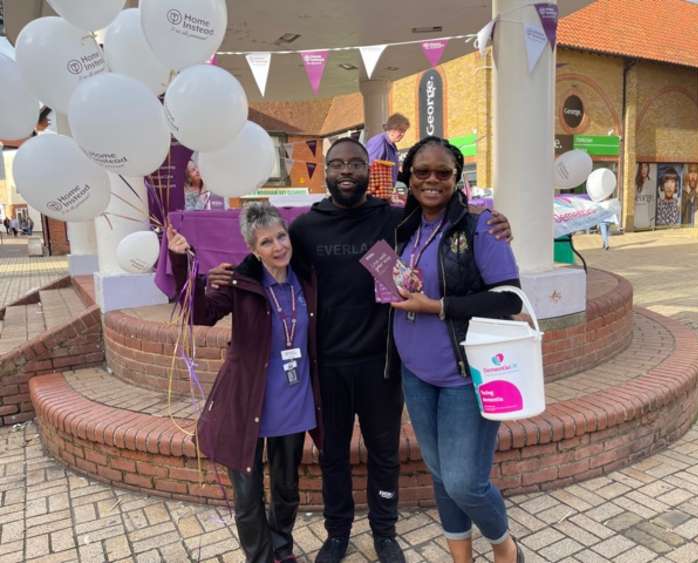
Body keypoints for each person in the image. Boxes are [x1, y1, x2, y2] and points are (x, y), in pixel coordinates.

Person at [207, 137, 512, 563]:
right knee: (333, 456)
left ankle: (385, 532)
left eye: (356, 163)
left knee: (383, 453)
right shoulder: (305, 229)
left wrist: (492, 222)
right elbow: (268, 264)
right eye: (337, 164)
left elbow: (444, 215)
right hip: (326, 366)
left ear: (371, 171)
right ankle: (337, 533)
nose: (347, 171)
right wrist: (223, 278)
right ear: (326, 172)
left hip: (382, 362)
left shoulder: (393, 219)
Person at [388, 137, 524, 563]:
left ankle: (504, 548)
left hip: (465, 375)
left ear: (457, 179)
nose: (432, 180)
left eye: (442, 172)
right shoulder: (402, 228)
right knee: (442, 474)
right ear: (407, 178)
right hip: (416, 374)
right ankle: (459, 558)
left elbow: (509, 299)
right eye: (421, 172)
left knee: (465, 482)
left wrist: (438, 307)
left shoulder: (480, 227)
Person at [167, 203, 323, 563]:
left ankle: (281, 548)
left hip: (294, 397)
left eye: (281, 236)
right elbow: (199, 314)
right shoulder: (240, 281)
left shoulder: (307, 278)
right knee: (248, 493)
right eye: (266, 242)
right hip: (247, 401)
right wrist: (182, 265)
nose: (278, 247)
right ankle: (260, 558)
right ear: (253, 249)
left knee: (286, 488)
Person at [366, 113, 410, 187]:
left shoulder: (392, 146)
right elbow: (368, 166)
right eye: (401, 131)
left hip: (386, 191)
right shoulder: (379, 142)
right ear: (392, 128)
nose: (403, 134)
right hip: (376, 192)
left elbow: (392, 171)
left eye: (404, 131)